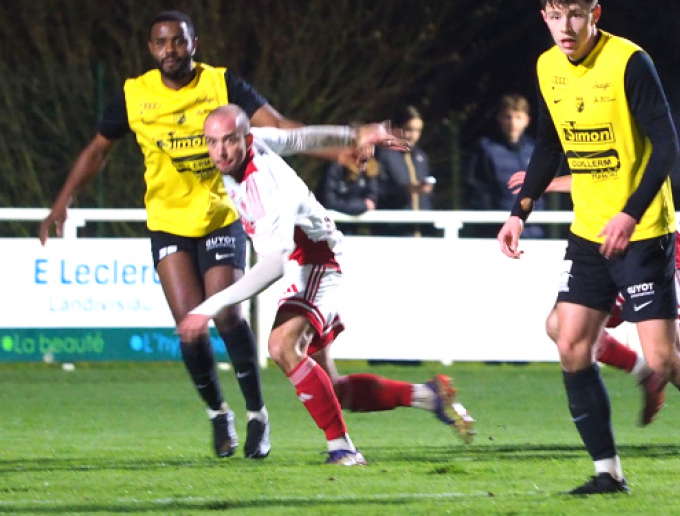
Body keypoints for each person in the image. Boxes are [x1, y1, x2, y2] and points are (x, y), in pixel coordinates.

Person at [497, 0, 680, 495]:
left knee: (666, 358)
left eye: (576, 16)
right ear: (544, 18)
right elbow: (549, 145)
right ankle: (608, 473)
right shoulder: (547, 67)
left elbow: (668, 146)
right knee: (570, 342)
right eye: (556, 17)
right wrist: (520, 212)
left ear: (595, 15)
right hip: (588, 233)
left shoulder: (629, 61)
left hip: (644, 231)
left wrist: (629, 214)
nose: (566, 28)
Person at [38, 11, 301, 459]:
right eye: (161, 42)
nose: (170, 50)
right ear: (150, 48)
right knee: (190, 330)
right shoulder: (135, 95)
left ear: (194, 43)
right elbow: (98, 149)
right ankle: (218, 413)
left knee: (227, 314)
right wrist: (63, 201)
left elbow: (277, 126)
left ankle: (258, 415)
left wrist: (341, 143)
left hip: (220, 215)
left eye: (178, 41)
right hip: (168, 223)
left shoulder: (221, 84)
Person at [177, 106, 474, 465]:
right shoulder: (255, 145)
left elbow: (272, 265)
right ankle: (428, 395)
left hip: (317, 259)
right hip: (302, 261)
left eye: (228, 141)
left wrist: (209, 307)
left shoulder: (263, 183)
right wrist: (354, 134)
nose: (220, 151)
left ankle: (343, 449)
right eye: (212, 142)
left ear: (244, 138)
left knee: (282, 346)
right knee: (330, 387)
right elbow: (301, 138)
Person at [509, 171, 680, 455]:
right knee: (560, 325)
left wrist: (546, 182)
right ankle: (644, 371)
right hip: (608, 247)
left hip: (656, 244)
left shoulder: (635, 143)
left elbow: (620, 176)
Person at [466, 93, 545, 237]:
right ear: (499, 119)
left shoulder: (535, 150)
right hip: (499, 229)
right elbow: (477, 190)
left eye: (518, 117)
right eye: (508, 117)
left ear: (527, 120)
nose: (512, 123)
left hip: (534, 229)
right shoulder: (486, 149)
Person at [377, 105, 434, 235]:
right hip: (395, 231)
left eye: (418, 131)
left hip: (422, 231)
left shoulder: (421, 157)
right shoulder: (385, 156)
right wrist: (406, 190)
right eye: (409, 129)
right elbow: (378, 191)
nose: (414, 136)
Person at [319, 151, 382, 217]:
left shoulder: (370, 169)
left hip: (358, 220)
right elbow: (329, 201)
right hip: (333, 220)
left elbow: (371, 201)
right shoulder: (335, 169)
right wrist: (362, 205)